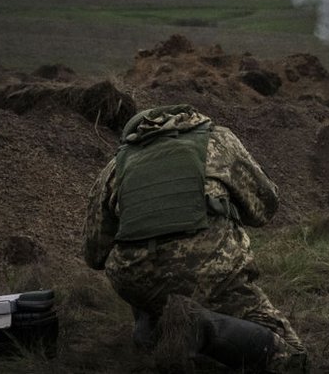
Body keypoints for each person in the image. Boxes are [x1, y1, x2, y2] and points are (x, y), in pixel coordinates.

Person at [83, 104, 308, 373]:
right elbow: (265, 208)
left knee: (145, 278)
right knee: (293, 358)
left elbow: (95, 254)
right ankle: (199, 326)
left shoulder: (115, 166)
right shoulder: (219, 140)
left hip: (136, 281)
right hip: (210, 273)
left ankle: (153, 328)